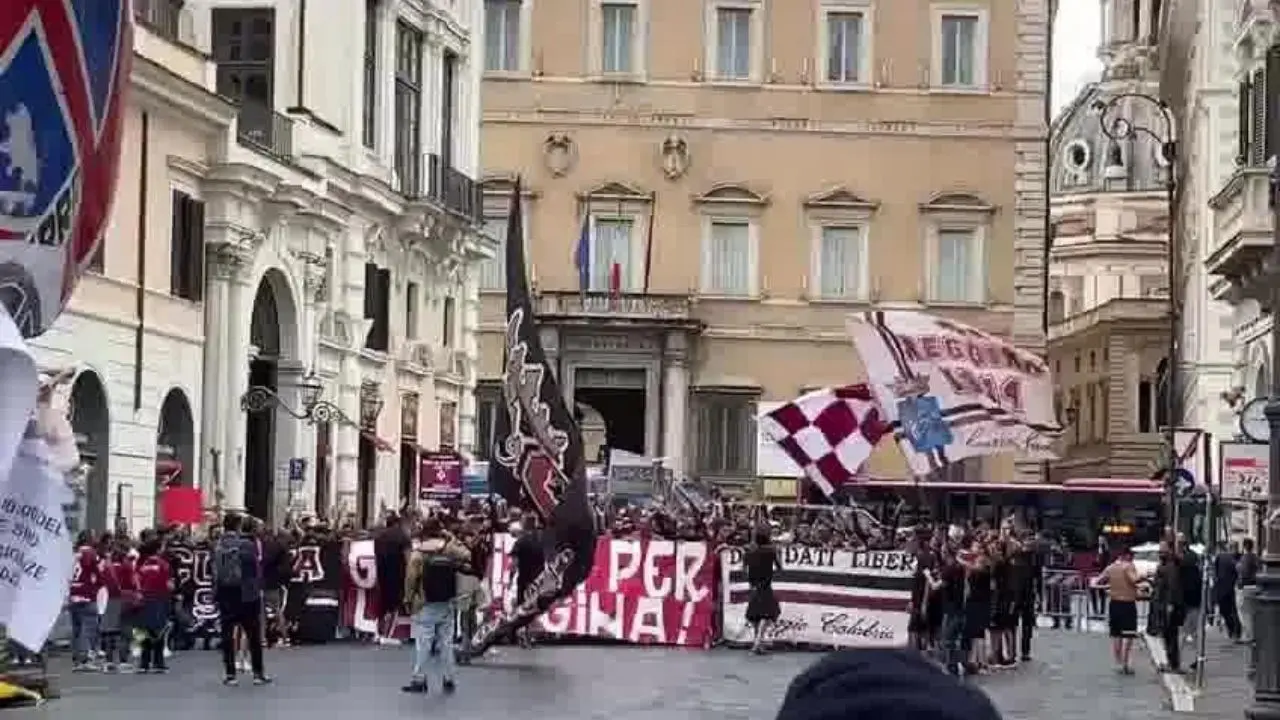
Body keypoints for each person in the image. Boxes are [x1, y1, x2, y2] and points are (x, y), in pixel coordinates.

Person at [401, 517, 471, 695]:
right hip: (446, 601)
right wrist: (451, 537)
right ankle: (449, 679)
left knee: (423, 643)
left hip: (425, 602)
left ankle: (419, 679)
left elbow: (410, 580)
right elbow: (467, 554)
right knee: (446, 643)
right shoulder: (448, 549)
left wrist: (408, 599)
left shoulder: (418, 554)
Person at [213, 513, 271, 686]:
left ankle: (230, 674)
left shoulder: (218, 544)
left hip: (225, 593)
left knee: (227, 636)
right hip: (246, 594)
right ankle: (258, 673)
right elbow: (255, 569)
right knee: (253, 635)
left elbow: (214, 570)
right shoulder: (247, 545)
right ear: (238, 526)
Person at [1099, 546, 1140, 674]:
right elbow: (1133, 580)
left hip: (1114, 603)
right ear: (1126, 555)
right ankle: (1125, 663)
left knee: (1116, 634)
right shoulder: (1128, 566)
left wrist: (1108, 587)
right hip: (1127, 604)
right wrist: (1145, 576)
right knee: (1128, 634)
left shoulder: (1110, 567)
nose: (1133, 558)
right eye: (1131, 556)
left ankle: (1118, 662)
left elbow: (1098, 580)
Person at [134, 539, 173, 674]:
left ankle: (144, 663)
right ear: (158, 549)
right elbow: (169, 585)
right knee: (159, 631)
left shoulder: (142, 564)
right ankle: (158, 662)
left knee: (144, 632)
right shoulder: (164, 564)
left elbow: (136, 581)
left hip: (144, 600)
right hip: (159, 599)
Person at [67, 530, 103, 672]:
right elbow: (99, 572)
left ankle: (76, 658)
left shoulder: (73, 554)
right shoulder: (91, 553)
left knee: (76, 629)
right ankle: (85, 659)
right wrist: (98, 585)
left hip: (73, 592)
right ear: (89, 539)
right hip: (86, 594)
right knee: (88, 627)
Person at [744, 526, 783, 654]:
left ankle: (758, 642)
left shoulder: (749, 551)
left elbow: (743, 568)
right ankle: (758, 642)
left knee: (756, 615)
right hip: (765, 584)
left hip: (754, 584)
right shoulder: (771, 551)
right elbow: (780, 567)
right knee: (767, 614)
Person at [508, 514, 545, 647]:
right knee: (534, 607)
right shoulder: (543, 540)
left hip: (524, 579)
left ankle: (521, 635)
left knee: (522, 607)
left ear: (524, 525)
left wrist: (510, 578)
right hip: (539, 580)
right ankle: (531, 635)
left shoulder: (521, 541)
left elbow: (514, 563)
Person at [373, 512, 410, 644]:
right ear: (397, 523)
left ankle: (379, 631)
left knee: (383, 603)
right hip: (398, 572)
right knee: (396, 603)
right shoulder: (402, 536)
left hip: (381, 572)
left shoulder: (379, 537)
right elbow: (408, 556)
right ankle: (391, 633)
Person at [1154, 541, 1186, 673]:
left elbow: (1172, 587)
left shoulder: (1170, 566)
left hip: (1168, 605)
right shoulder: (1167, 565)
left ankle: (1173, 664)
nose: (1160, 553)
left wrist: (1170, 605)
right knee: (1168, 635)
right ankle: (1172, 662)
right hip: (1165, 604)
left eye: (1162, 550)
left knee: (1170, 635)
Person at [1213, 541, 1242, 641]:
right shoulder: (1235, 558)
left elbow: (1215, 573)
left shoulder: (1221, 557)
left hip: (1222, 588)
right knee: (1232, 610)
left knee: (1226, 611)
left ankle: (1232, 630)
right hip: (1230, 587)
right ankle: (1235, 631)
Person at [1239, 537, 1259, 644]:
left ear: (1245, 546)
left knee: (1245, 612)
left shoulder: (1246, 558)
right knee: (1251, 611)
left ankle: (1249, 635)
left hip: (1246, 587)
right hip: (1254, 586)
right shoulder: (1255, 557)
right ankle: (1251, 634)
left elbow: (1244, 572)